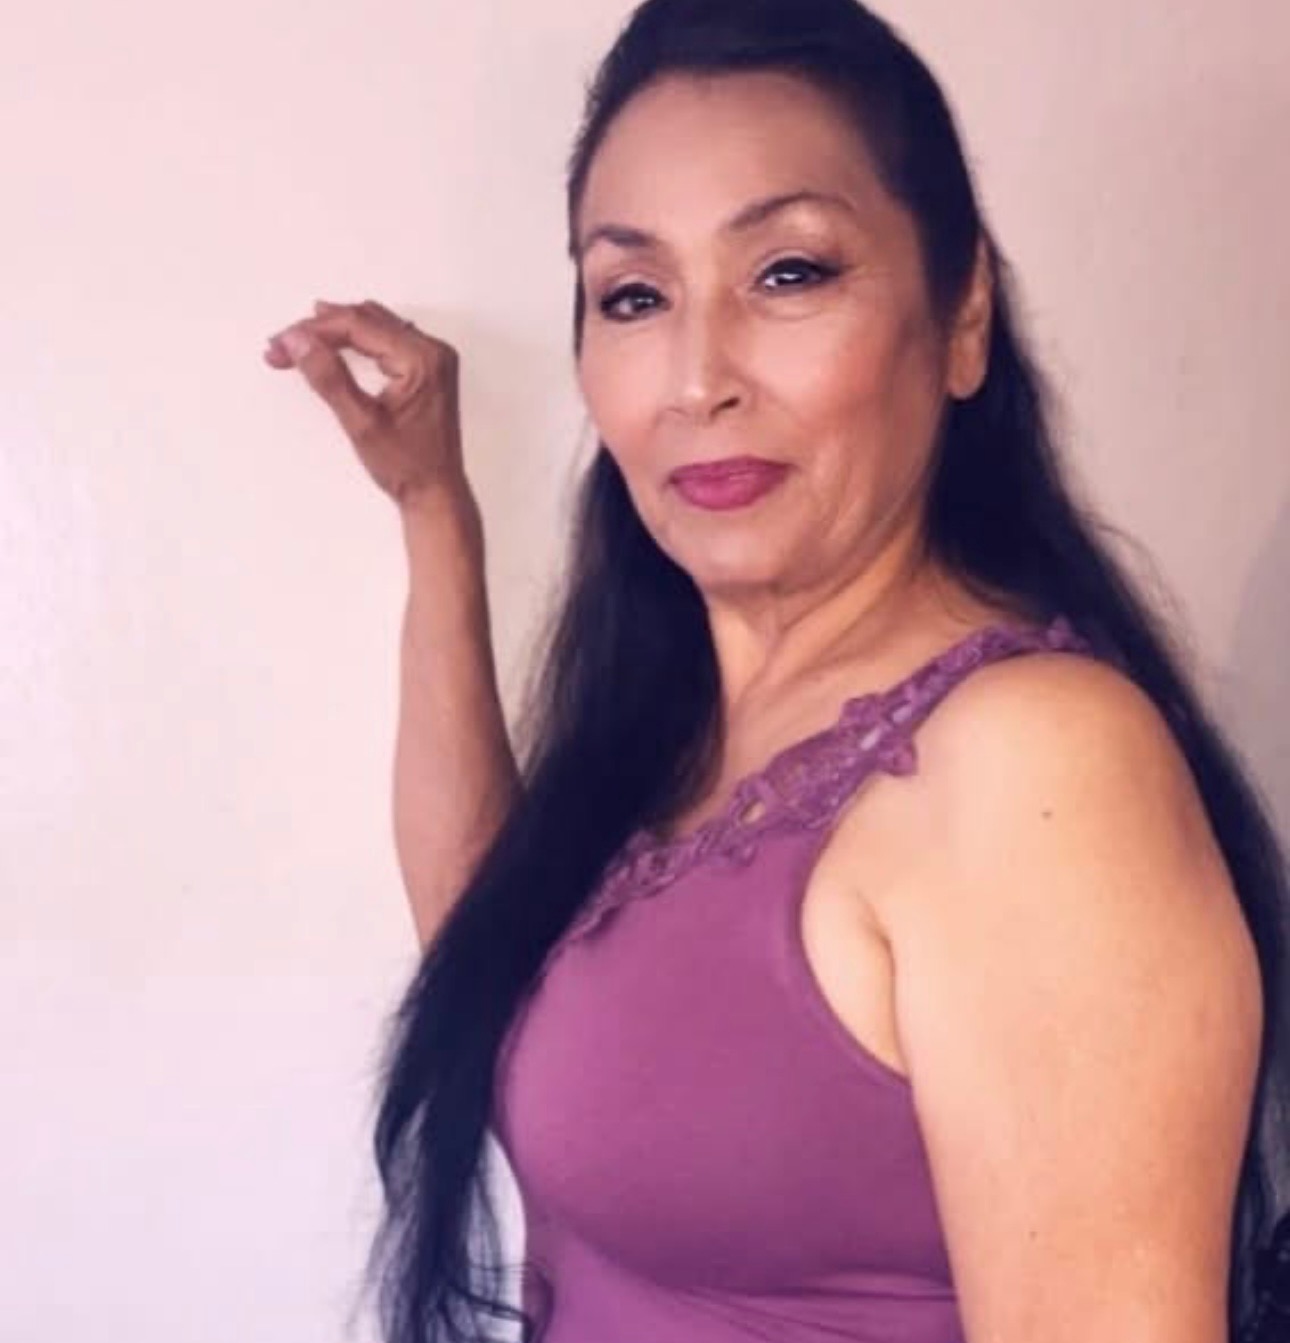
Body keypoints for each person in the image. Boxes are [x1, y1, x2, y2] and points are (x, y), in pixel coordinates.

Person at [263, 1, 1290, 1339]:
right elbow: (498, 958)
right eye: (634, 296)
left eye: (789, 273)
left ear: (962, 313)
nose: (698, 378)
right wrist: (433, 512)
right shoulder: (690, 728)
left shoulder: (1033, 771)